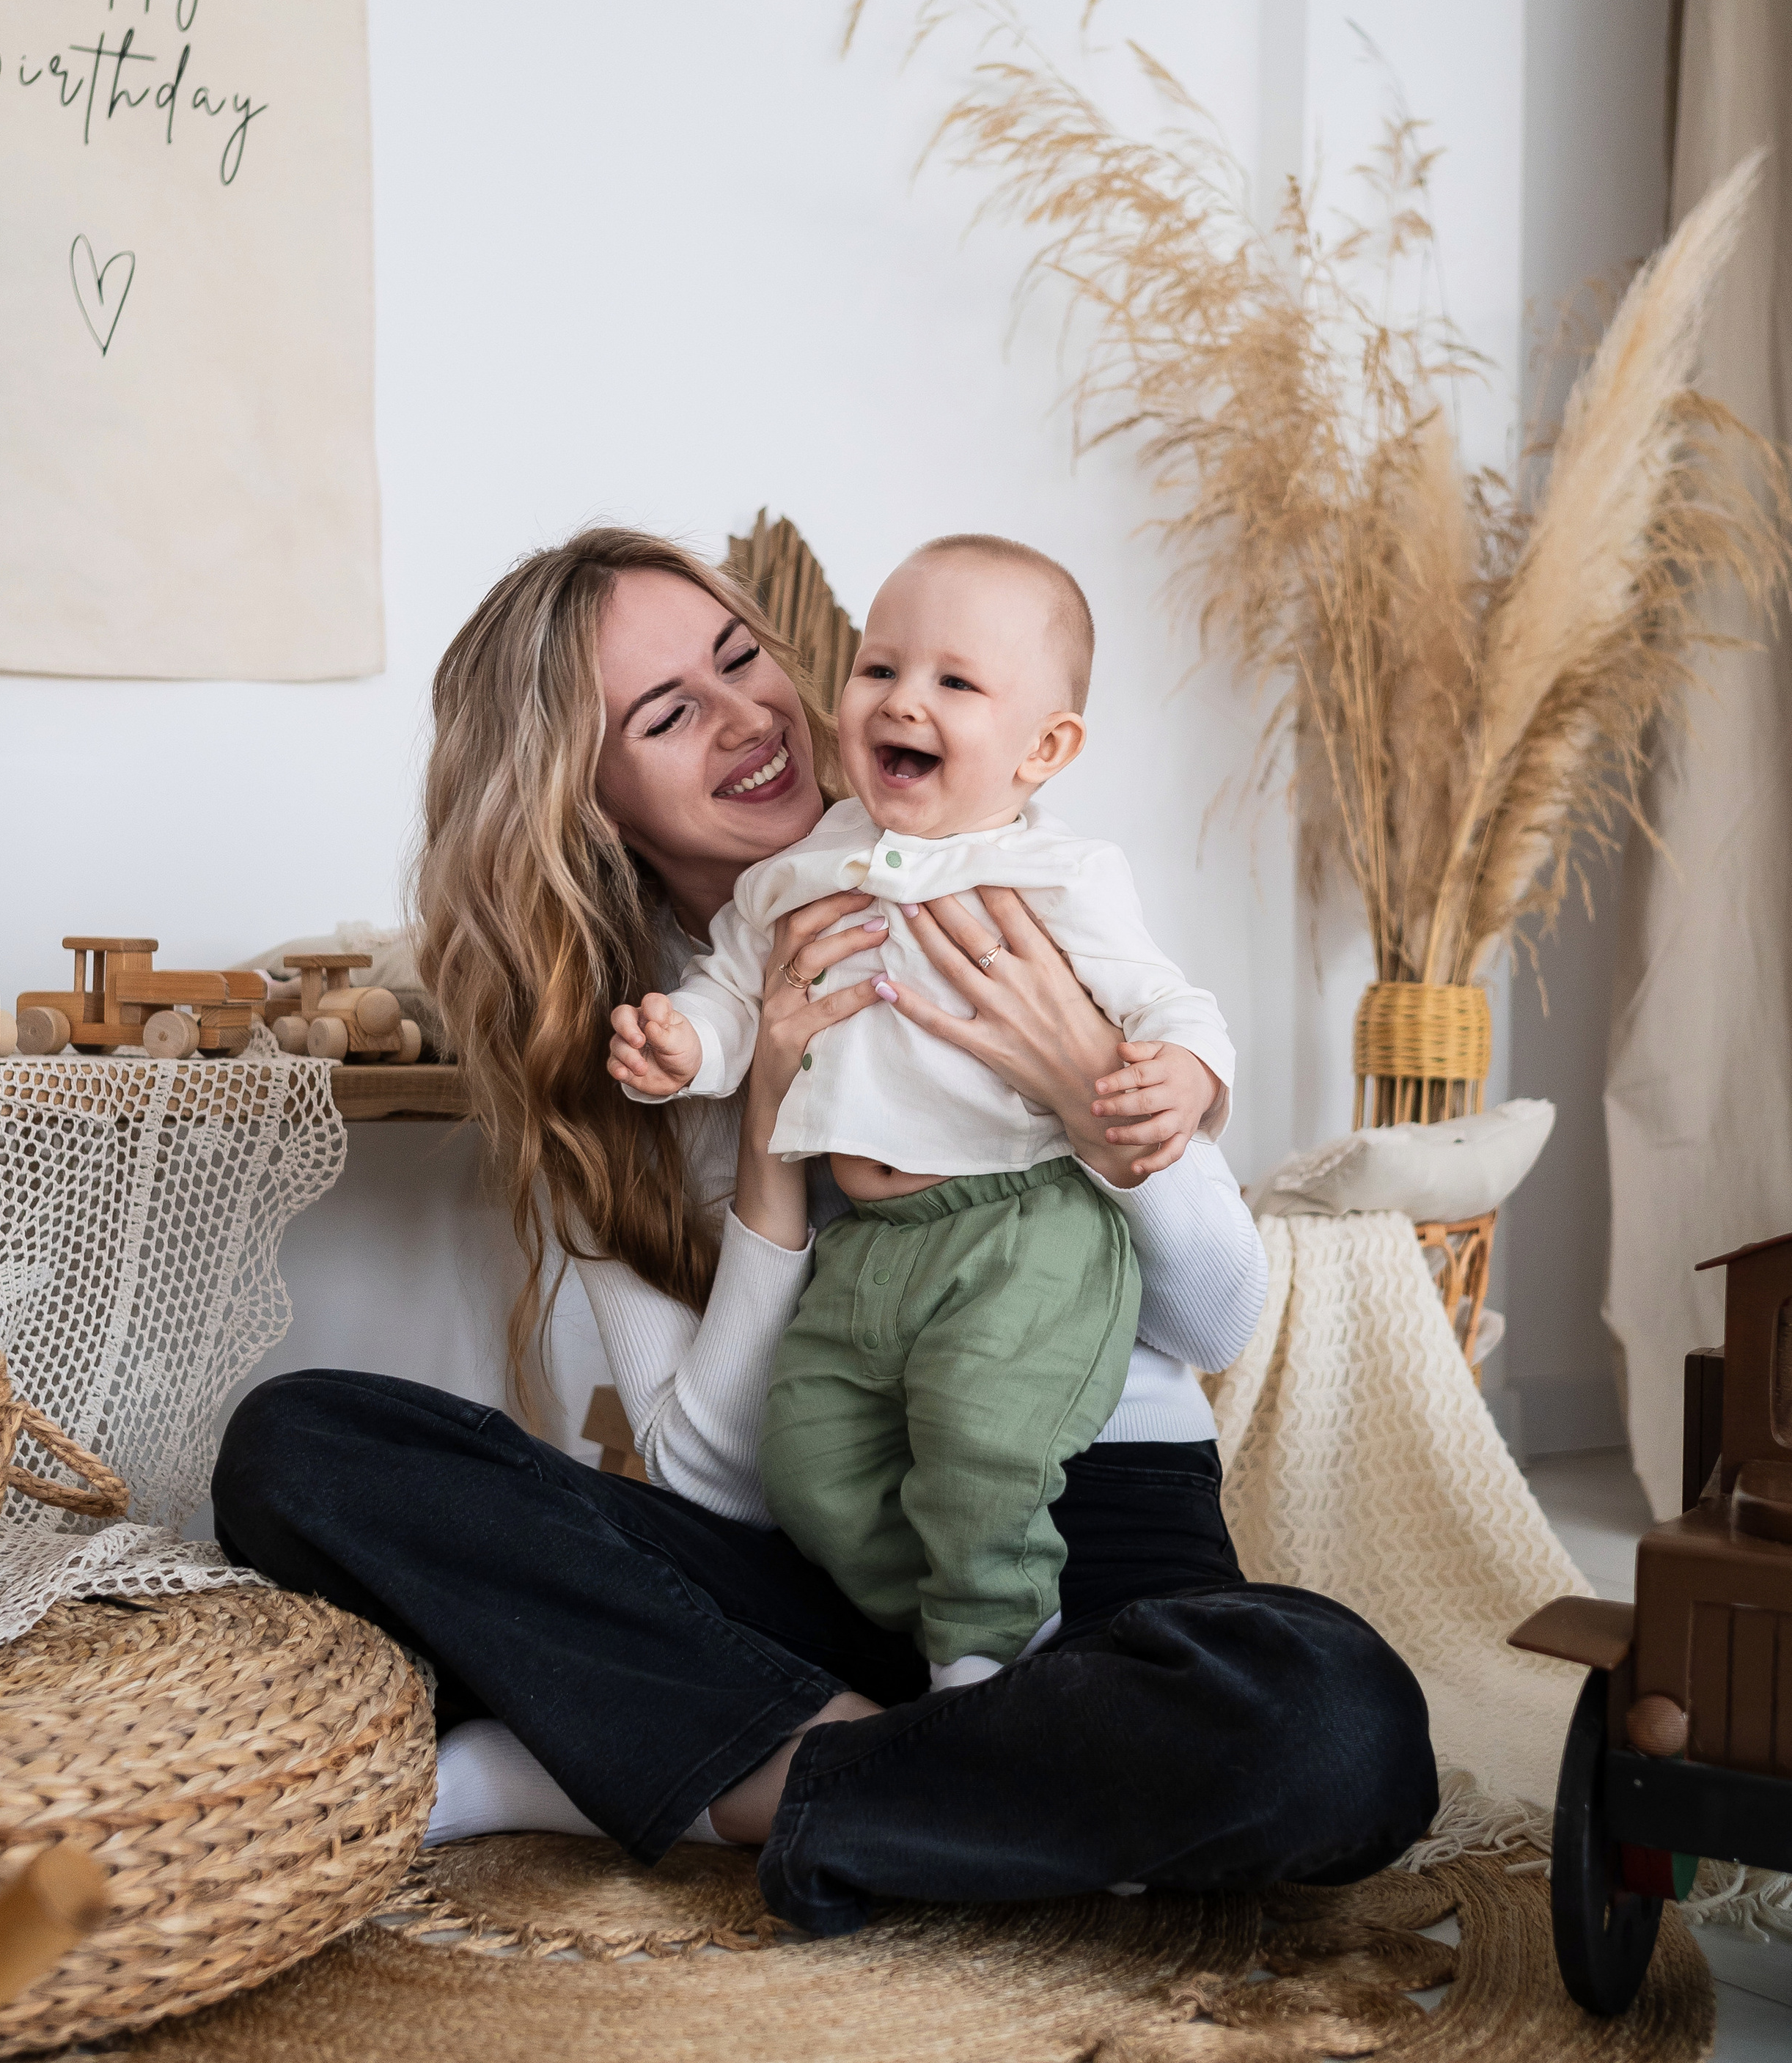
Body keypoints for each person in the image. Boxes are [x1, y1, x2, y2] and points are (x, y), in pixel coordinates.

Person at [213, 526, 1437, 1939]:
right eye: (670, 715)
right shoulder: (644, 1058)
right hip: (814, 1549)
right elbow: (713, 1485)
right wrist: (767, 1140)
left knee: (1339, 1727)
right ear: (588, 804)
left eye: (744, 662)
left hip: (1084, 1543)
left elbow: (1216, 1325)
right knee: (297, 1447)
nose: (748, 722)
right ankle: (947, 1784)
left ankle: (721, 1771)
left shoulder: (1014, 888)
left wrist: (1081, 1086)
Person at [607, 534, 1235, 1691]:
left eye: (954, 682)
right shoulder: (799, 878)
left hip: (1024, 1230)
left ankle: (982, 1656)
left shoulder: (1056, 875)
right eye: (881, 670)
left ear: (1044, 748)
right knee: (812, 1468)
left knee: (982, 1442)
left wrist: (1160, 1088)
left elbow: (1170, 1009)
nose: (902, 700)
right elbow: (730, 998)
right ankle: (968, 1664)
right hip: (874, 1265)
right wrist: (692, 1054)